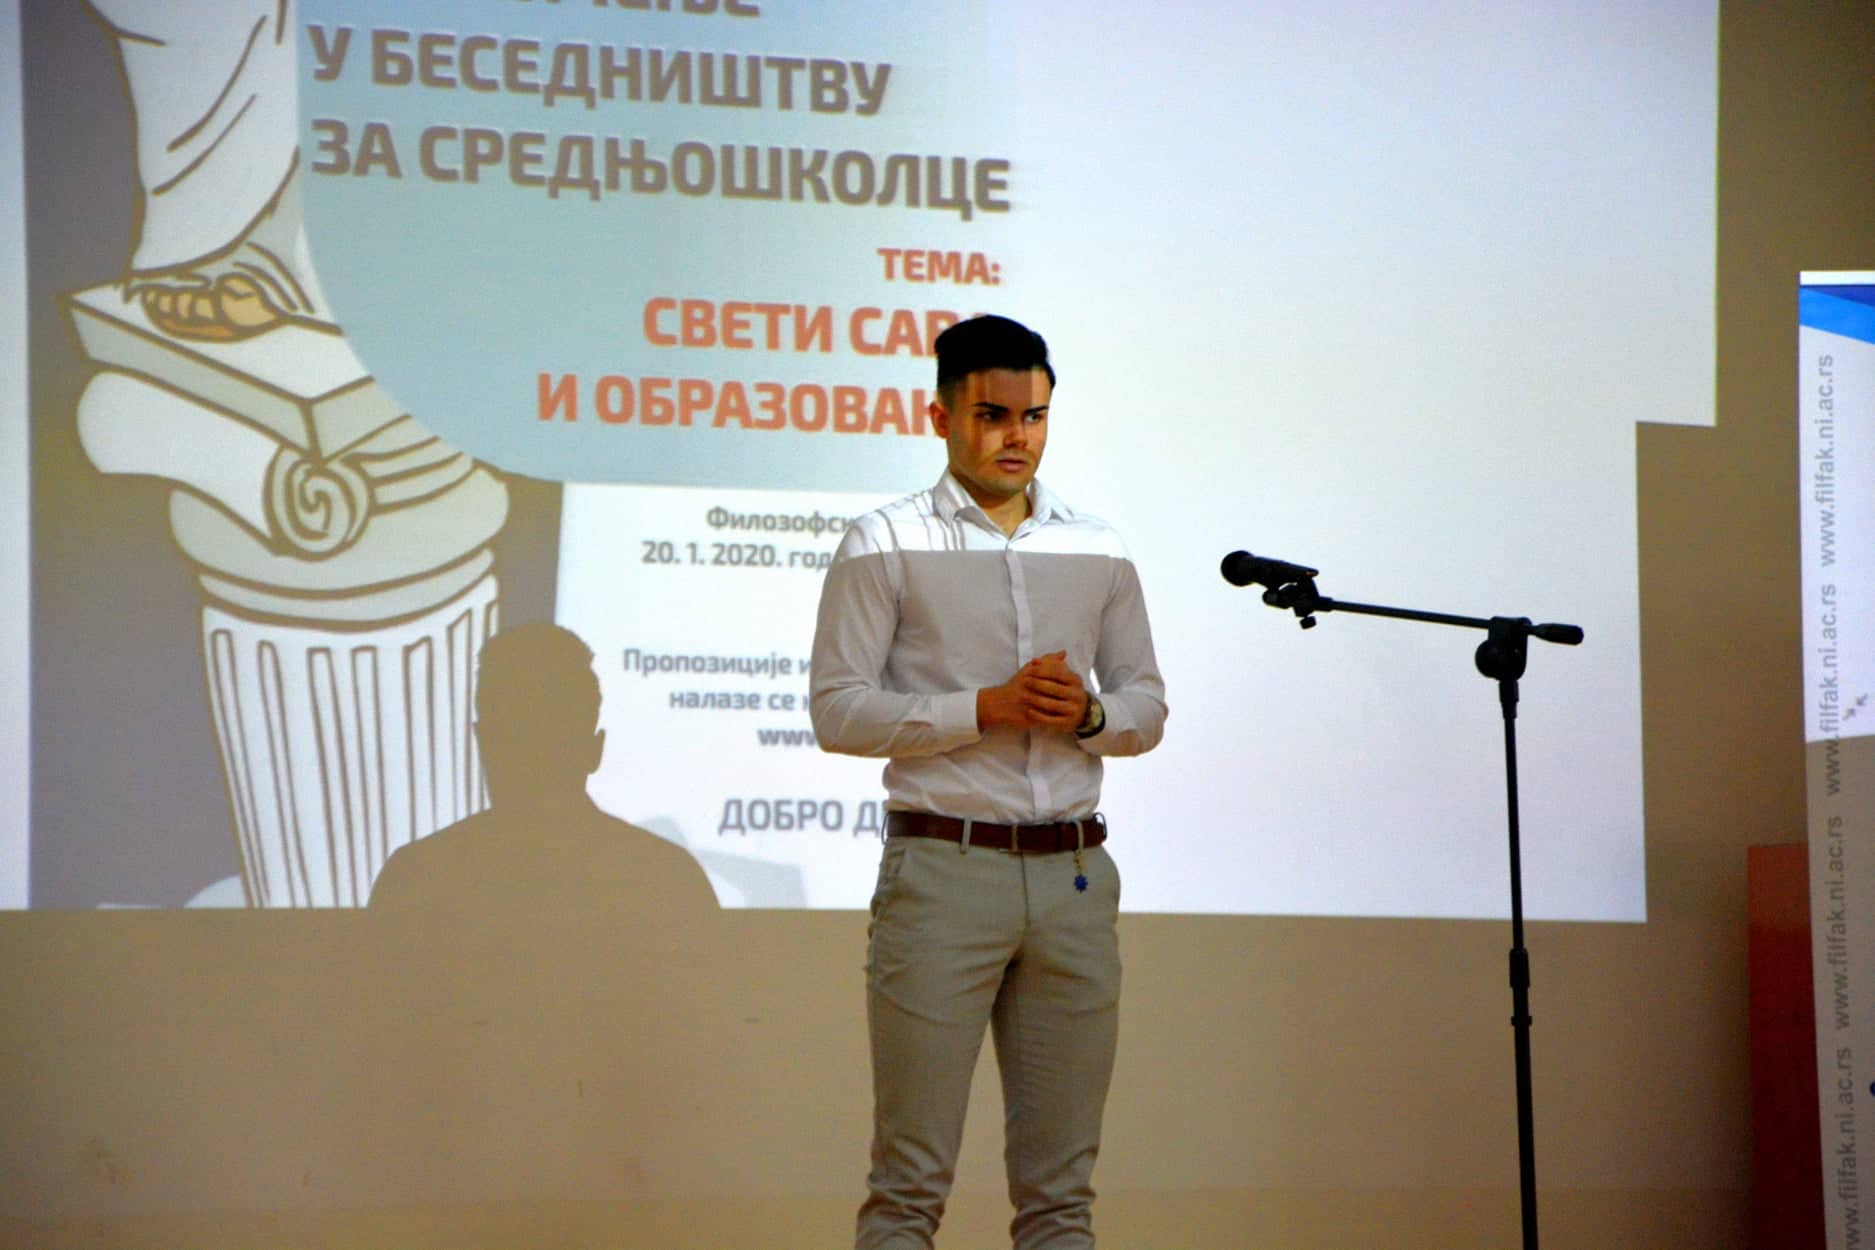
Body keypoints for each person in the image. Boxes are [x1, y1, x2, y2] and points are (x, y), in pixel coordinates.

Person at [810, 315, 1168, 1250]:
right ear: (939, 417)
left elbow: (1146, 707)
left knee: (1061, 1201)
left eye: (1034, 416)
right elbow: (837, 712)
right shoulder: (882, 539)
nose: (1017, 436)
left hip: (1073, 878)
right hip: (943, 871)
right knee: (907, 1191)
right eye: (993, 415)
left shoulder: (1098, 545)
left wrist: (1086, 715)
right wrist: (985, 708)